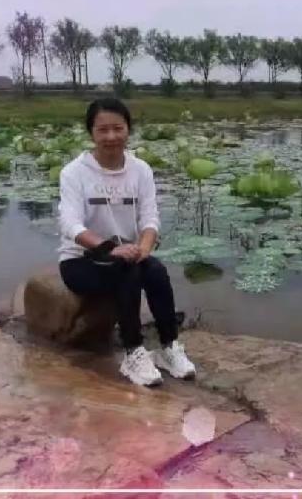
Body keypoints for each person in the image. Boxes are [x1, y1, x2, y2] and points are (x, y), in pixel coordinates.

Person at [57, 98, 195, 387]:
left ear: (128, 130)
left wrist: (144, 248)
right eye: (102, 130)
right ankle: (133, 351)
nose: (111, 136)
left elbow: (150, 217)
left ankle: (169, 346)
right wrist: (110, 248)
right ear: (91, 132)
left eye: (118, 128)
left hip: (127, 254)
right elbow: (70, 224)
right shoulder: (74, 173)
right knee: (126, 271)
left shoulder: (140, 170)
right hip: (81, 261)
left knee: (155, 270)